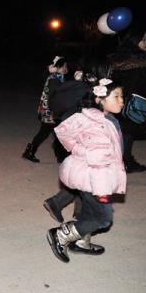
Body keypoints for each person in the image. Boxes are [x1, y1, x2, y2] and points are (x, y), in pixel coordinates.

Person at [47, 76, 126, 263]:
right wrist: (102, 192)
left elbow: (63, 131)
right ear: (100, 100)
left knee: (89, 211)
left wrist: (78, 150)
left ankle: (82, 242)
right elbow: (98, 163)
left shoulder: (103, 118)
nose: (121, 101)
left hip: (90, 176)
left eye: (122, 96)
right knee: (103, 219)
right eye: (116, 96)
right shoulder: (97, 124)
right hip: (95, 180)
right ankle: (61, 235)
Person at [42, 58, 104, 222]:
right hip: (82, 136)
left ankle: (75, 209)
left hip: (78, 134)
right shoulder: (87, 88)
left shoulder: (83, 86)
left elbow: (56, 96)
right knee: (86, 175)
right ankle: (61, 204)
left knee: (83, 174)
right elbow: (56, 97)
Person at [109, 28, 146, 173]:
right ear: (134, 41)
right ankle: (126, 161)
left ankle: (123, 160)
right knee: (127, 132)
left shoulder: (120, 58)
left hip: (119, 102)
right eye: (143, 39)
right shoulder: (145, 60)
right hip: (134, 104)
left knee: (123, 132)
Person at [22, 56, 68, 163]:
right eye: (64, 66)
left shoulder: (56, 77)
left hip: (49, 110)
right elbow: (53, 97)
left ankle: (59, 156)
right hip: (50, 111)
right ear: (59, 67)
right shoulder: (54, 79)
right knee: (49, 133)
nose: (66, 68)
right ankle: (59, 156)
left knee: (52, 133)